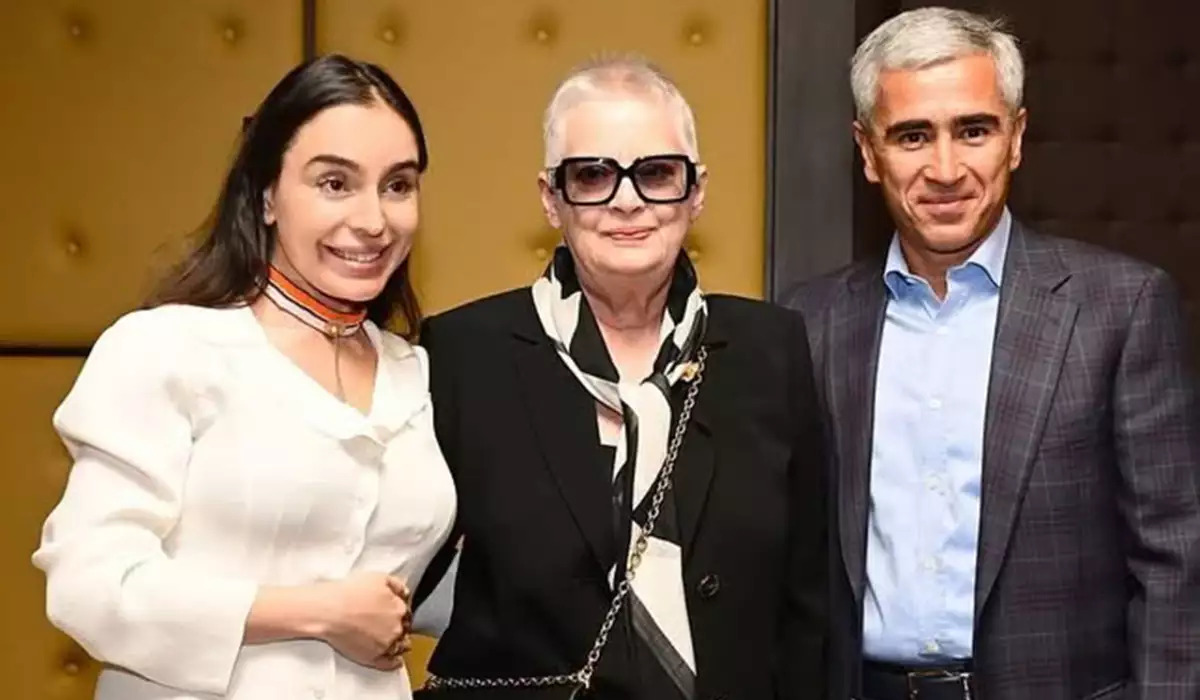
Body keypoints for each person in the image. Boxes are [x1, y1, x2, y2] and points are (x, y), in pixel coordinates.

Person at [786, 7, 1200, 700]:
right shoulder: (809, 320)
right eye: (912, 135)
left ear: (1016, 138)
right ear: (868, 152)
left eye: (973, 130)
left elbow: (1177, 562)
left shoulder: (1120, 309)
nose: (945, 169)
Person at [31, 54, 456, 700]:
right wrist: (318, 612)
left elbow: (423, 581)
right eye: (335, 183)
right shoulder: (170, 349)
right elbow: (89, 586)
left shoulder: (414, 374)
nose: (374, 220)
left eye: (397, 185)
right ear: (266, 196)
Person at [411, 56, 828, 700]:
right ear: (551, 198)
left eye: (657, 173)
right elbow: (397, 570)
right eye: (593, 175)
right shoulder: (464, 355)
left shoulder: (771, 349)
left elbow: (808, 605)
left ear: (696, 191)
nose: (627, 200)